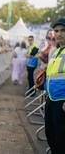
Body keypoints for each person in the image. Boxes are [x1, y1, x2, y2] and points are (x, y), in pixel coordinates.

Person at [45, 18, 65, 153]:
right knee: (50, 134)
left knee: (61, 139)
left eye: (63, 30)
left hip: (61, 102)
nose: (59, 33)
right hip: (51, 99)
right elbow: (52, 75)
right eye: (56, 31)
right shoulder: (57, 51)